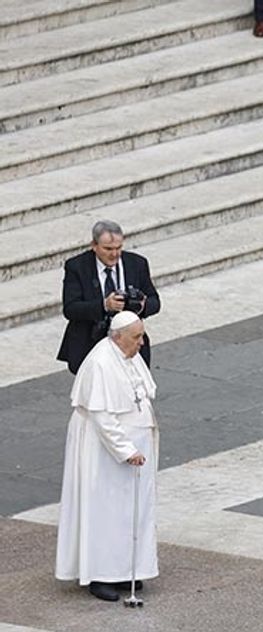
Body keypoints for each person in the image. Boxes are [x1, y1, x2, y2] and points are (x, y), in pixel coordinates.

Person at [55, 312, 159, 603]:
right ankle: (101, 575)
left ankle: (128, 569)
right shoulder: (101, 362)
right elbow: (101, 415)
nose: (142, 342)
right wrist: (126, 451)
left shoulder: (130, 354)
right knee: (104, 511)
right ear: (117, 337)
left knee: (131, 511)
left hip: (134, 451)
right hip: (104, 452)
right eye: (136, 337)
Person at [57, 221, 160, 375]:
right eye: (108, 249)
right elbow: (71, 309)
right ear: (94, 245)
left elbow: (155, 302)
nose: (114, 254)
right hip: (90, 342)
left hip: (129, 343)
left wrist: (141, 305)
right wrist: (104, 305)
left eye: (118, 248)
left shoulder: (137, 264)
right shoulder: (77, 267)